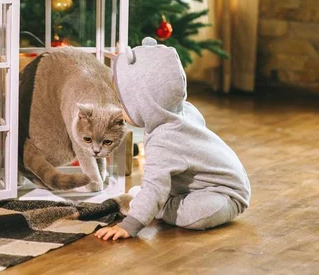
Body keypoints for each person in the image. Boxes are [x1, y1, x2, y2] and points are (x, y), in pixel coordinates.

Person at [95, 37, 251, 241]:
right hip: (205, 186)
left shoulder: (165, 139)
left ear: (146, 104)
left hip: (224, 195)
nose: (120, 109)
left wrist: (130, 225)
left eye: (124, 103)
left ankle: (157, 206)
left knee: (193, 216)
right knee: (156, 193)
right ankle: (152, 202)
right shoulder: (181, 111)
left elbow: (155, 186)